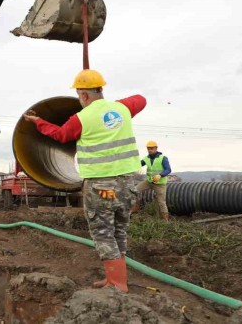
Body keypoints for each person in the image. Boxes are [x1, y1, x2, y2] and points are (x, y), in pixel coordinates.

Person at [23, 69, 146, 292]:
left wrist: (37, 121)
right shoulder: (122, 108)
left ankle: (117, 283)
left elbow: (60, 135)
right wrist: (114, 106)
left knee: (103, 232)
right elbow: (141, 99)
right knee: (119, 229)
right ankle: (116, 279)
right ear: (101, 89)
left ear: (84, 95)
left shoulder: (81, 118)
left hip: (101, 186)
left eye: (80, 95)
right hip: (129, 183)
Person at [134, 141, 172, 220]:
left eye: (151, 148)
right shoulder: (146, 158)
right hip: (149, 182)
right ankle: (134, 209)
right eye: (148, 149)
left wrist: (160, 175)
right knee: (134, 190)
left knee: (161, 202)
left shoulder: (163, 158)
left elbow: (168, 169)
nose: (149, 150)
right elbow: (138, 164)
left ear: (156, 148)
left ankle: (165, 221)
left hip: (160, 183)